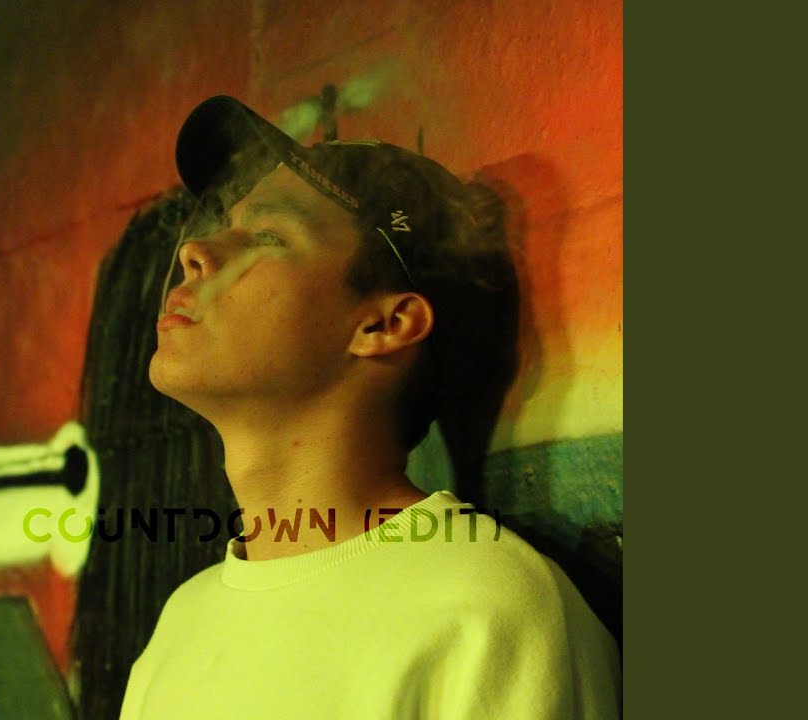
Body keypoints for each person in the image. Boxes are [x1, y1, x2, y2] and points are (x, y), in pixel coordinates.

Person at [118, 96, 620, 719]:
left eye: (268, 236)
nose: (197, 251)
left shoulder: (484, 609)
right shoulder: (183, 623)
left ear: (385, 324)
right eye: (226, 225)